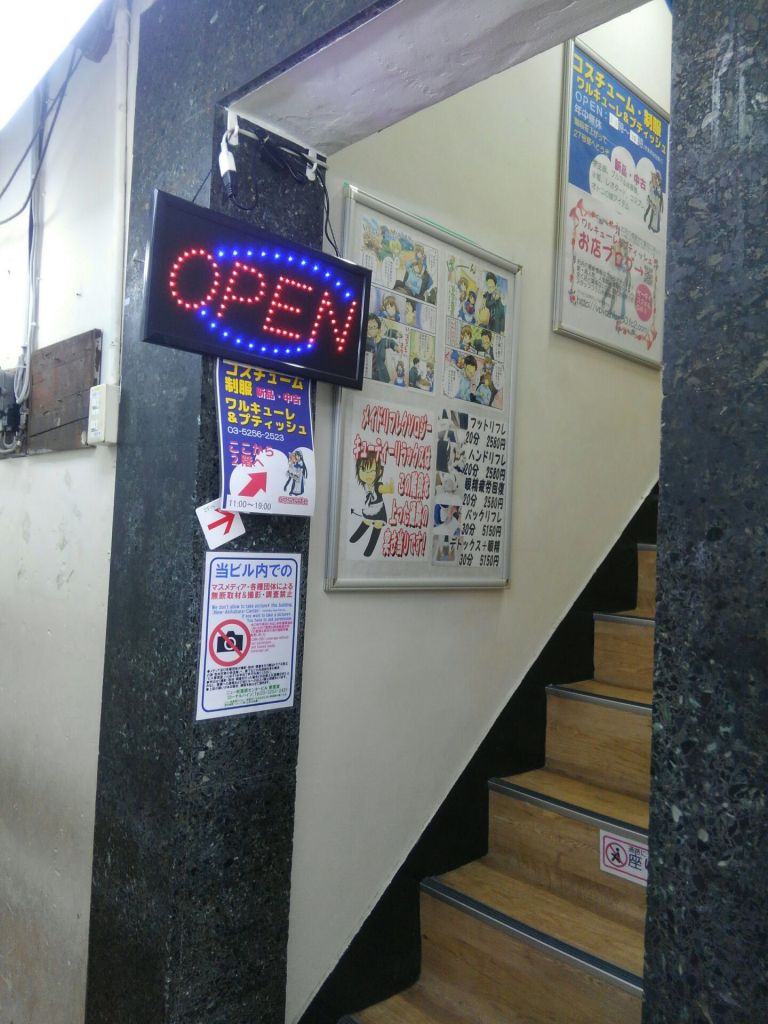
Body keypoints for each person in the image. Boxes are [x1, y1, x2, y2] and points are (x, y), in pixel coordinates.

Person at [349, 452, 393, 557]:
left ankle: (369, 551)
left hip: (379, 510)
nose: (368, 474)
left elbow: (383, 489)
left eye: (372, 471)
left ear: (377, 471)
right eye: (364, 470)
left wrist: (389, 488)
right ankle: (354, 539)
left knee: (377, 527)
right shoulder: (365, 485)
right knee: (366, 521)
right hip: (370, 509)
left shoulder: (377, 485)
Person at [366, 314, 397, 383]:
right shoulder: (366, 342)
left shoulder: (383, 341)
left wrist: (395, 346)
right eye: (370, 328)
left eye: (374, 327)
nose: (372, 330)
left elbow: (390, 342)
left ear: (379, 329)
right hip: (369, 376)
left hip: (383, 376)